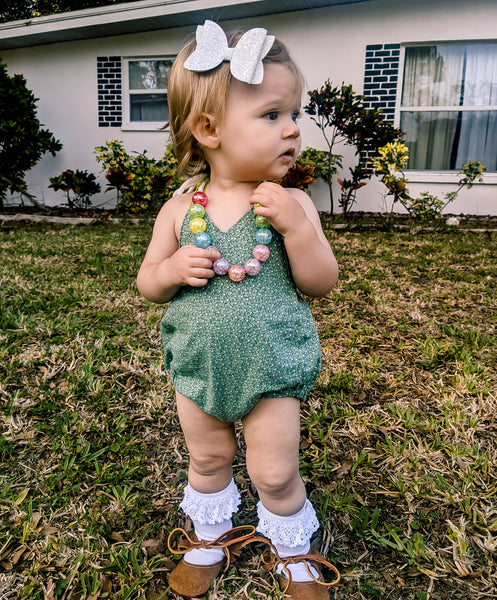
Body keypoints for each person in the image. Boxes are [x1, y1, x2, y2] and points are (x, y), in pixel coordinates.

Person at [136, 20, 340, 600]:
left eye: (294, 114)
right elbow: (147, 281)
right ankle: (210, 534)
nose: (294, 130)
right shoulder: (180, 209)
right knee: (207, 457)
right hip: (199, 364)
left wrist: (297, 228)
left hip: (271, 365)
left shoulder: (292, 202)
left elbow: (320, 282)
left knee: (274, 472)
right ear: (209, 129)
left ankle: (294, 549)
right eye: (272, 115)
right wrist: (171, 271)